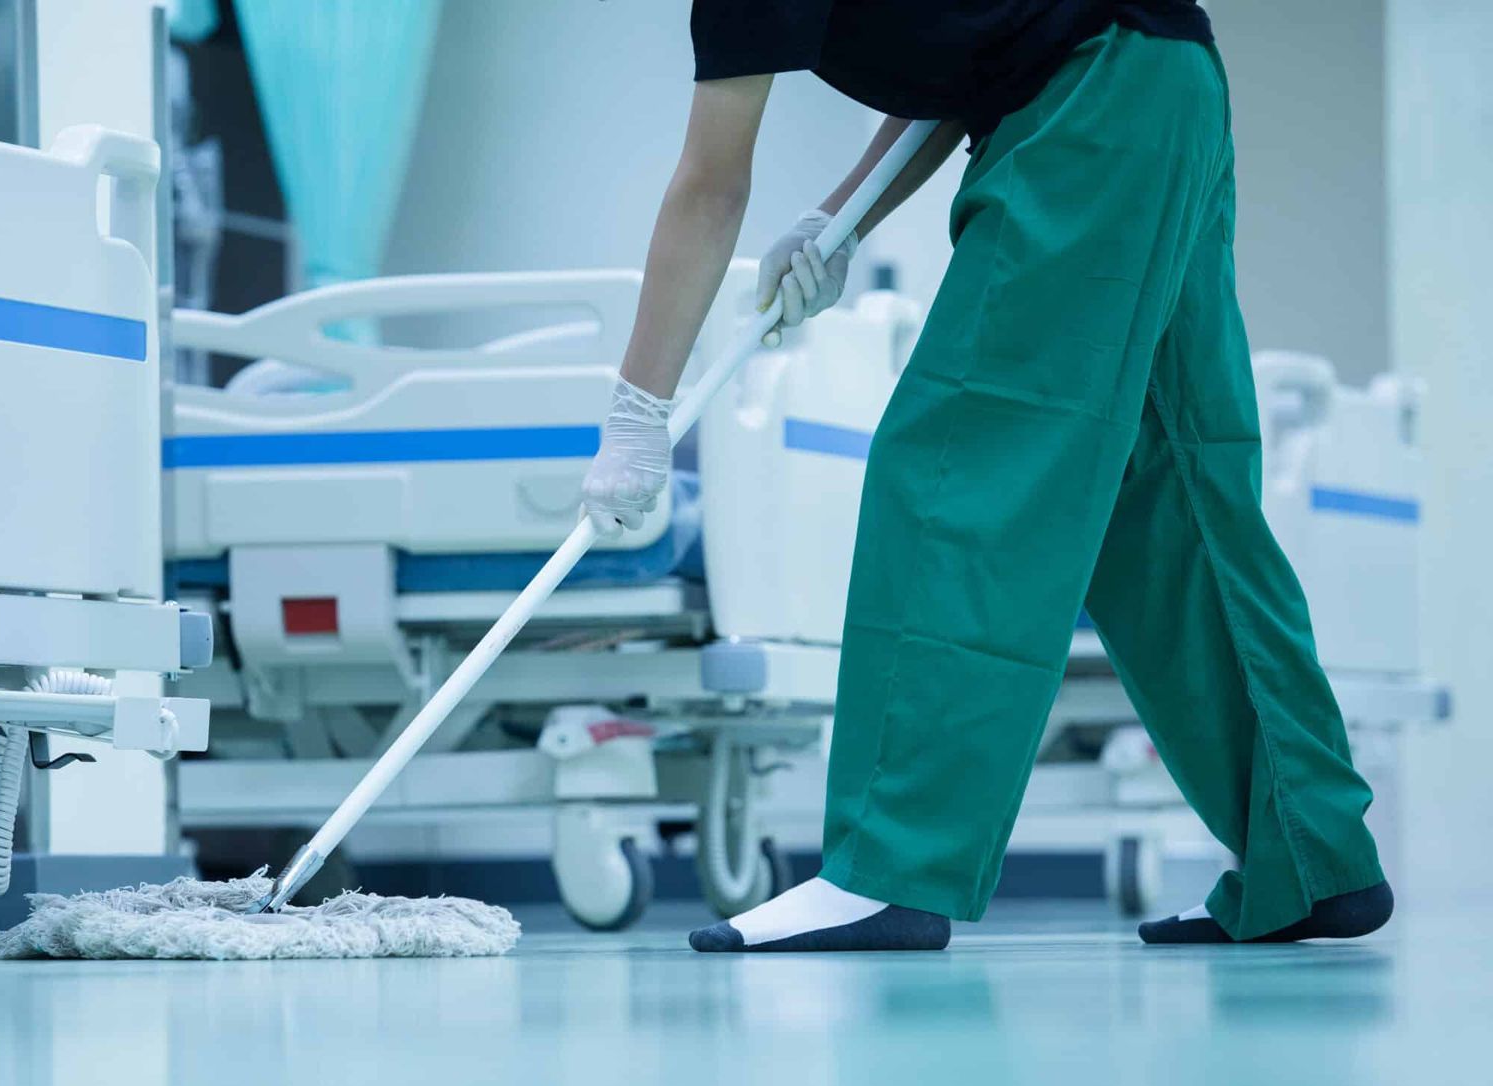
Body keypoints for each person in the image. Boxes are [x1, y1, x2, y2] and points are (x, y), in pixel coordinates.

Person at [579, 0, 1394, 952]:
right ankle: (1312, 858)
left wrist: (638, 410)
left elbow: (711, 188)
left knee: (953, 468)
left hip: (1092, 102)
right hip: (1164, 85)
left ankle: (888, 871)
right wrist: (840, 220)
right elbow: (962, 60)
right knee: (1173, 492)